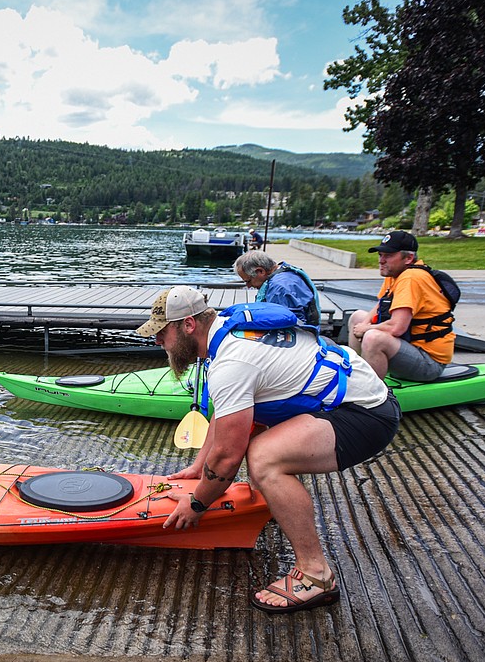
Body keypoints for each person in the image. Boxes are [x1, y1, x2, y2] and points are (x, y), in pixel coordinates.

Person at [136, 286, 399, 613]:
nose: (158, 342)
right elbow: (227, 410)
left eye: (162, 333)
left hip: (366, 414)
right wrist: (197, 468)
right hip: (352, 397)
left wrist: (198, 503)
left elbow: (228, 458)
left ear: (188, 325)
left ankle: (316, 575)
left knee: (263, 458)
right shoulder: (228, 328)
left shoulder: (231, 362)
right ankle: (276, 505)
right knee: (257, 450)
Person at [346, 230, 456, 382]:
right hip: (408, 347)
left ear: (409, 258)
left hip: (429, 362)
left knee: (374, 338)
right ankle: (356, 374)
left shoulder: (411, 278)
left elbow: (397, 328)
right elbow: (380, 306)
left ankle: (370, 393)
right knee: (357, 317)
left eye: (389, 255)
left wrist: (366, 329)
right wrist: (362, 324)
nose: (381, 260)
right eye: (380, 255)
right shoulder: (394, 274)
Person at [234, 252, 322, 327]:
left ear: (260, 271)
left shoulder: (279, 288)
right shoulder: (286, 272)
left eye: (248, 281)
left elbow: (290, 324)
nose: (248, 286)